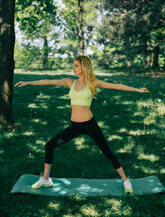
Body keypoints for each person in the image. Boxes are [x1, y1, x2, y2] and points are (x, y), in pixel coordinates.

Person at [14, 55, 149, 193]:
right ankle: (46, 179)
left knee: (107, 151)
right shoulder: (69, 82)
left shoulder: (93, 82)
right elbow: (49, 81)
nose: (73, 68)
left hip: (90, 124)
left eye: (76, 65)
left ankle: (126, 181)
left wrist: (137, 90)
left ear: (84, 67)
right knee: (49, 145)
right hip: (75, 126)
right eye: (73, 65)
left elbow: (116, 86)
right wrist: (28, 82)